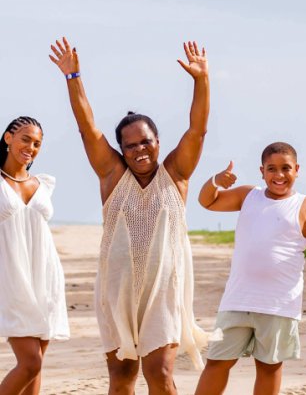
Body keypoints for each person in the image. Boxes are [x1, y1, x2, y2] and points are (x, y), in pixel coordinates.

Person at [49, 37, 210, 394]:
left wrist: (201, 80)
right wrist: (73, 75)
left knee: (161, 375)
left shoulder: (177, 174)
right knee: (121, 379)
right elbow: (87, 128)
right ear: (120, 150)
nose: (140, 150)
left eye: (146, 141)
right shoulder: (112, 175)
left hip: (163, 293)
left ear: (158, 141)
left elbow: (197, 129)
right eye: (131, 145)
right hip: (117, 289)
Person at [194, 142, 306, 395]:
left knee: (269, 367)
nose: (279, 175)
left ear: (297, 169)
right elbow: (207, 202)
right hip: (237, 300)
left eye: (286, 168)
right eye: (272, 169)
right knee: (216, 362)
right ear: (262, 171)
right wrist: (215, 181)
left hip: (278, 304)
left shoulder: (305, 205)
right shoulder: (248, 196)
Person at [0, 116, 69, 395]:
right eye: (25, 139)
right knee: (30, 363)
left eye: (37, 143)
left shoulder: (43, 183)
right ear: (8, 138)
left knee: (37, 365)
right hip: (12, 279)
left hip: (46, 277)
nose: (31, 147)